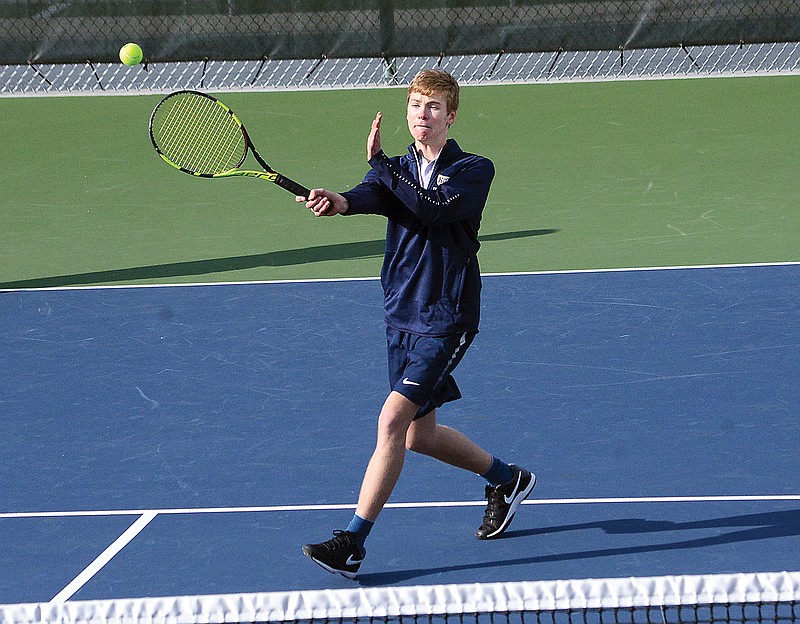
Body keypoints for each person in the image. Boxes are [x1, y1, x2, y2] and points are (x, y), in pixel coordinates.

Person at [298, 69, 534, 579]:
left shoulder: (474, 169)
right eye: (414, 106)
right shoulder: (398, 168)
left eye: (432, 108)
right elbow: (369, 196)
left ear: (451, 116)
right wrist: (336, 202)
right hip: (400, 313)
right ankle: (507, 479)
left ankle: (352, 543)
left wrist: (382, 167)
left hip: (446, 316)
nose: (421, 116)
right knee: (417, 437)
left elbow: (428, 209)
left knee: (390, 421)